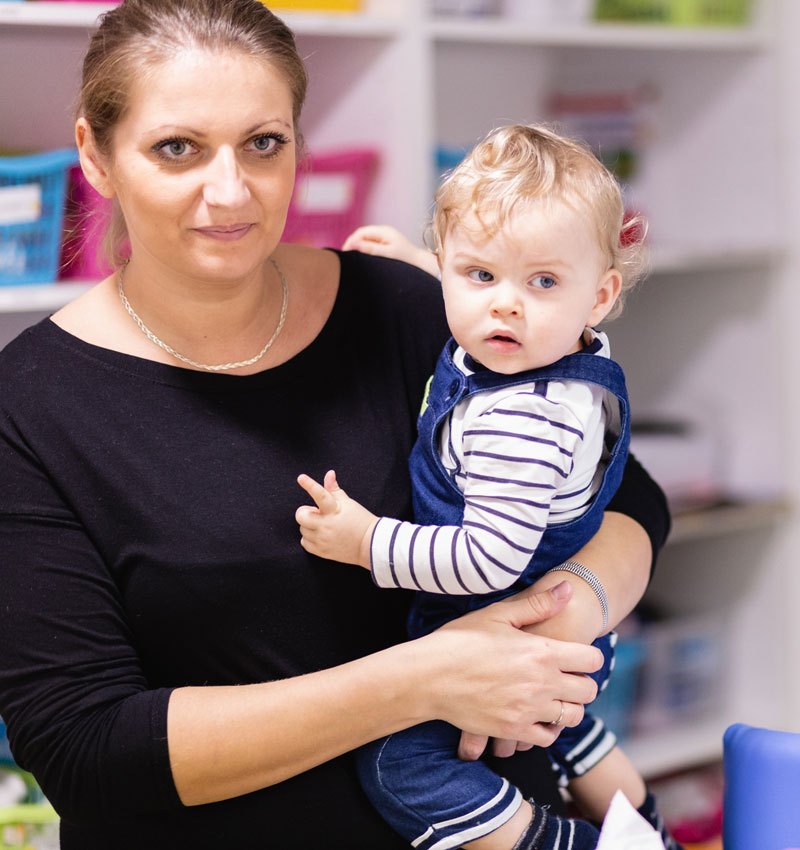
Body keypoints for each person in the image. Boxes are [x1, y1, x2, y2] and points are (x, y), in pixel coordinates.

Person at [0, 2, 669, 848]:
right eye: (179, 148)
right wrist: (422, 681)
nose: (230, 189)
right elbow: (84, 747)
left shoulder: (411, 304)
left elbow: (629, 498)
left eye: (263, 143)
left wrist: (568, 612)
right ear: (95, 157)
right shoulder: (29, 407)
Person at [297, 126, 680, 850]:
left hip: (496, 613)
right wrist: (422, 265)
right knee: (564, 724)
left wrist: (365, 541)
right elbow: (500, 289)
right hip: (559, 636)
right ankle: (647, 827)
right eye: (478, 275)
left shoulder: (520, 418)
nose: (504, 306)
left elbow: (487, 561)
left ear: (599, 295)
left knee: (399, 763)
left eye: (542, 282)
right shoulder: (564, 347)